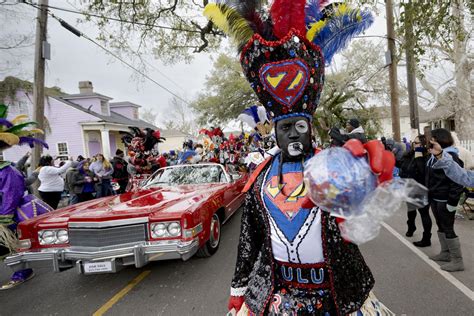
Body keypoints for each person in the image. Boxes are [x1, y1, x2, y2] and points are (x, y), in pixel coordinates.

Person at [204, 1, 395, 314]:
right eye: (285, 127)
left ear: (311, 128)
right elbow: (249, 242)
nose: (293, 134)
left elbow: (362, 215)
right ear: (275, 133)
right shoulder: (259, 182)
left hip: (337, 297)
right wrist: (238, 293)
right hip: (276, 298)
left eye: (300, 126)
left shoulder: (335, 168)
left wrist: (370, 177)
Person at [426, 128, 465, 272]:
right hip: (436, 197)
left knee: (448, 228)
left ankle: (457, 261)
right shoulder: (435, 155)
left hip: (445, 200)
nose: (430, 141)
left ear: (441, 139)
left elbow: (457, 181)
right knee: (441, 226)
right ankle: (446, 253)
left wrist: (452, 202)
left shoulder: (451, 156)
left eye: (433, 139)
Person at [399, 135, 432, 247]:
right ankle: (411, 227)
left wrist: (418, 154)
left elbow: (423, 171)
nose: (414, 144)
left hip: (421, 187)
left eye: (417, 143)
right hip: (409, 186)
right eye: (414, 142)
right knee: (411, 211)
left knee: (424, 213)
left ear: (423, 144)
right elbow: (401, 165)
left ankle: (426, 238)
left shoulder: (427, 156)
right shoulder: (409, 154)